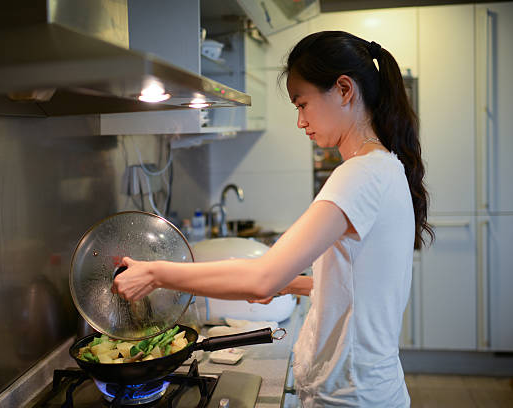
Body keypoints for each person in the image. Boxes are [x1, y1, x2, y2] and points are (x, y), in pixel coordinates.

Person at [112, 30, 433, 407]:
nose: (300, 121)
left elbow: (261, 279)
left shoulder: (360, 175)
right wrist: (294, 284)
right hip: (365, 389)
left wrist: (155, 273)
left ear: (344, 89)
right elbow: (360, 284)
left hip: (352, 396)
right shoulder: (385, 167)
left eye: (303, 104)